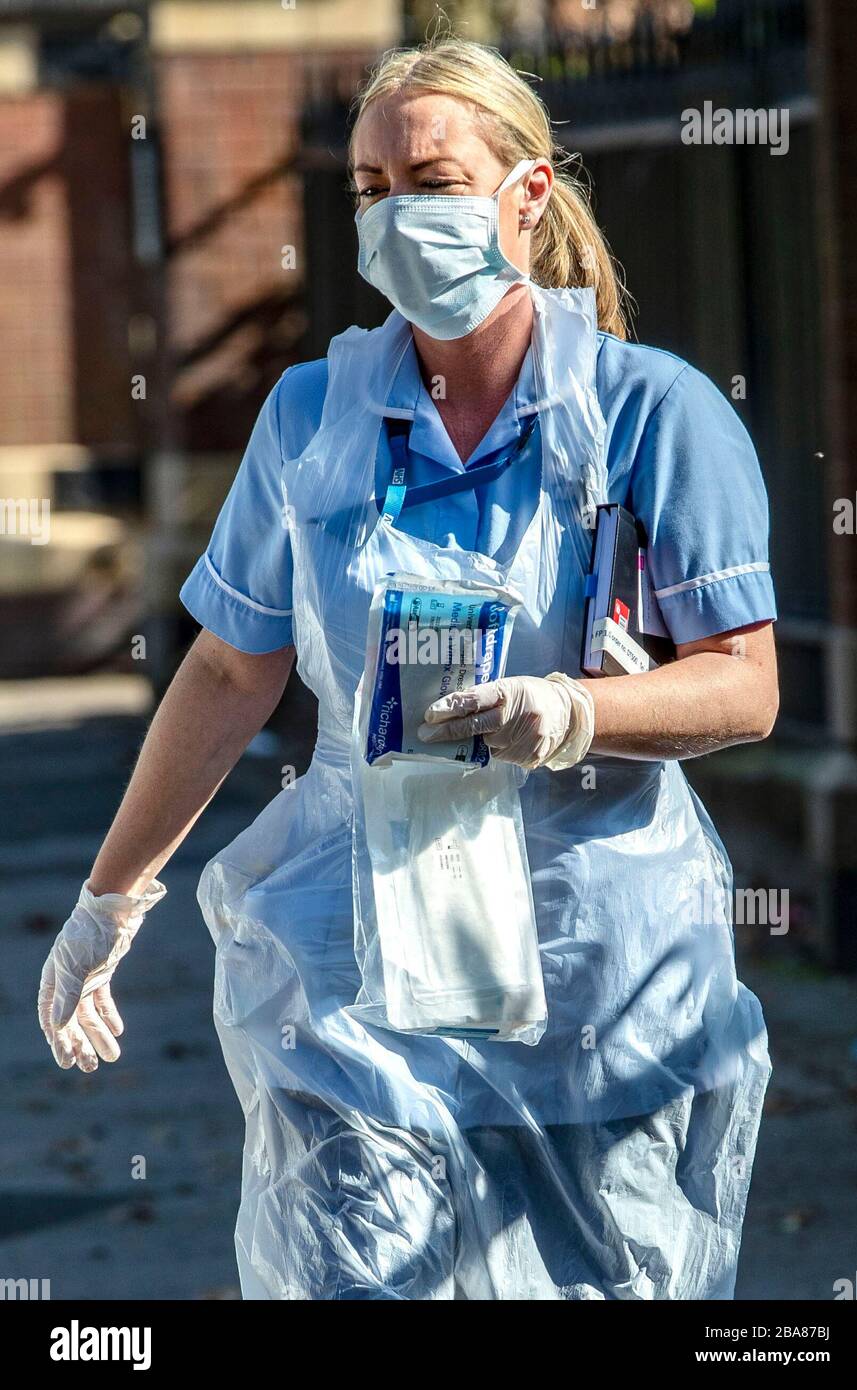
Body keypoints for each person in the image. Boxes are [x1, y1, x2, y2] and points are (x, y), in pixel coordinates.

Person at [38, 36, 779, 1300]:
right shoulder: (314, 416)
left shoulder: (649, 414)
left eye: (429, 180)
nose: (394, 215)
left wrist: (570, 711)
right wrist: (111, 901)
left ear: (526, 195)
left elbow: (744, 685)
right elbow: (229, 671)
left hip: (593, 967)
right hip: (351, 962)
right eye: (371, 191)